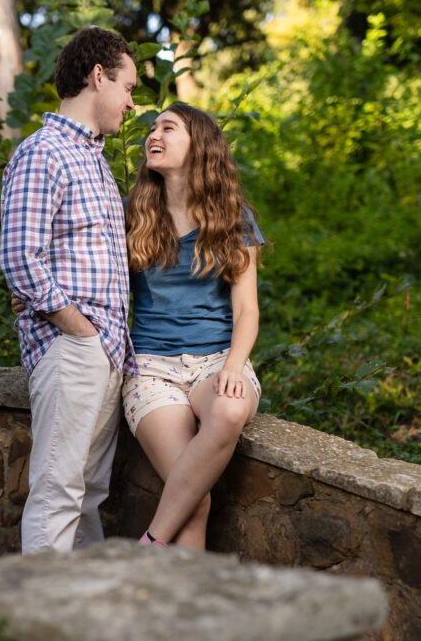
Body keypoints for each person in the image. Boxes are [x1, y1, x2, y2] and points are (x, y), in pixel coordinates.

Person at [0, 27, 139, 554]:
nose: (131, 101)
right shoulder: (44, 153)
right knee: (58, 495)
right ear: (97, 76)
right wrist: (77, 329)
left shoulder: (94, 160)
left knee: (87, 496)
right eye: (126, 86)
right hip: (75, 349)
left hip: (104, 352)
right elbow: (19, 257)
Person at [123, 103, 264, 548]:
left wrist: (234, 367)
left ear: (198, 144)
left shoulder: (232, 215)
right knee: (194, 502)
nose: (153, 134)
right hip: (150, 368)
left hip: (217, 359)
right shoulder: (132, 213)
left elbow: (247, 310)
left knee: (229, 409)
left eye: (168, 127)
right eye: (151, 128)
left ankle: (150, 544)